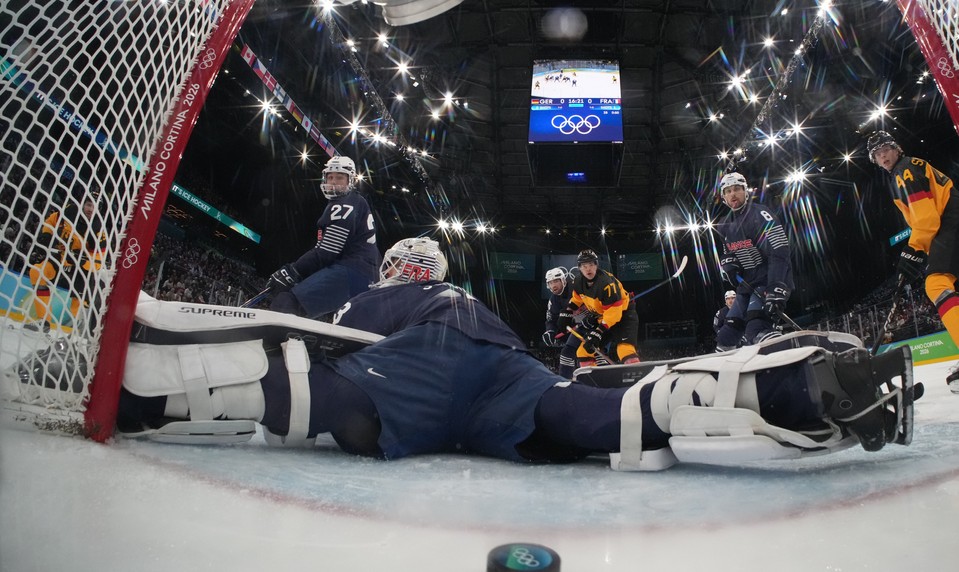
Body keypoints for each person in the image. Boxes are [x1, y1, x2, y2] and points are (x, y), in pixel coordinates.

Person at [108, 237, 918, 471]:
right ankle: (786, 391)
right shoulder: (469, 295)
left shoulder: (393, 291)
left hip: (425, 359)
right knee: (598, 417)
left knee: (311, 393)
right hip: (500, 370)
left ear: (402, 267)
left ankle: (147, 393)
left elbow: (310, 334)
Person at [867, 130, 959, 392]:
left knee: (937, 284)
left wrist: (913, 249)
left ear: (897, 149)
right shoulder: (911, 166)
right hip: (950, 224)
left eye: (886, 149)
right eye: (877, 154)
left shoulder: (904, 170)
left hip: (950, 224)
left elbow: (927, 220)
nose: (883, 156)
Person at [267, 155, 380, 319]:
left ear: (351, 180)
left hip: (352, 271)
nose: (333, 182)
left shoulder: (345, 203)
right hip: (363, 275)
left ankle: (280, 336)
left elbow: (328, 250)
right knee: (306, 308)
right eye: (330, 177)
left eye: (339, 177)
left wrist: (292, 270)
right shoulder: (353, 202)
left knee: (287, 302)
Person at [715, 172, 794, 351]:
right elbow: (728, 252)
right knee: (726, 336)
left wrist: (776, 285)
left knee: (756, 327)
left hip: (768, 280)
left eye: (737, 189)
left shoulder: (761, 214)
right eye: (728, 191)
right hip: (746, 285)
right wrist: (729, 264)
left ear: (746, 191)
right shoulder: (724, 225)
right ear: (724, 197)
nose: (733, 194)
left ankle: (781, 357)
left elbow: (779, 250)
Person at [28, 193, 104, 329]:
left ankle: (74, 330)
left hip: (80, 268)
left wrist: (82, 260)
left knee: (81, 297)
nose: (91, 209)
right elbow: (51, 221)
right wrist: (46, 234)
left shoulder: (98, 229)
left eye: (95, 207)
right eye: (89, 205)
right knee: (36, 272)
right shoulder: (70, 211)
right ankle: (43, 321)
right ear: (82, 203)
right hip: (60, 258)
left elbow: (99, 259)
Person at [558, 249, 641, 370]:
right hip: (603, 318)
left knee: (624, 350)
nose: (588, 269)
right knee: (584, 351)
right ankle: (592, 378)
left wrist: (598, 331)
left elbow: (614, 313)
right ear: (579, 268)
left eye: (591, 265)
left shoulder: (606, 283)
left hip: (623, 315)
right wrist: (567, 312)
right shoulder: (578, 282)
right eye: (584, 266)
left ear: (596, 265)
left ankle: (637, 374)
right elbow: (577, 299)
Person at [541, 266, 580, 378]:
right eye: (550, 282)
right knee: (566, 353)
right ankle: (565, 382)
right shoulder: (553, 300)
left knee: (590, 351)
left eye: (556, 281)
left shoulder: (576, 288)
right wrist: (550, 331)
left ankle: (603, 377)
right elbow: (551, 320)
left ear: (563, 280)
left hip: (593, 323)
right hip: (577, 329)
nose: (553, 285)